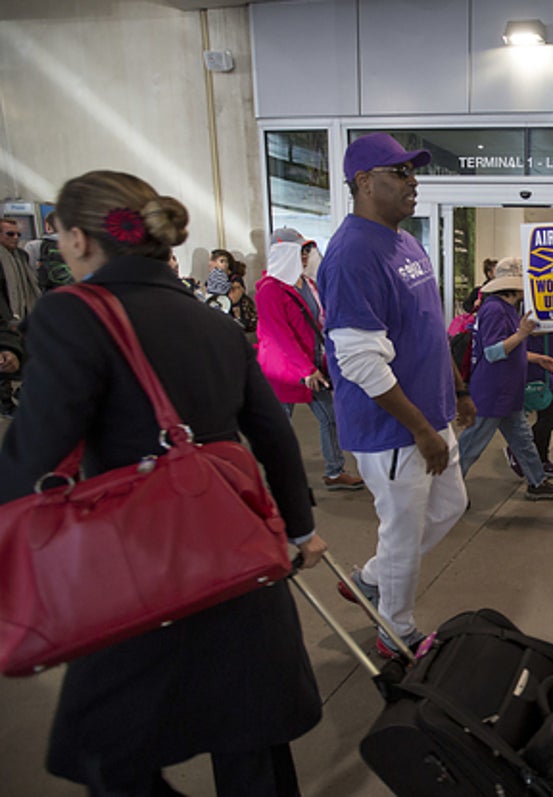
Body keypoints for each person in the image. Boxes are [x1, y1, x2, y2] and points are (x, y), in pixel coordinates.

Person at [0, 170, 327, 796]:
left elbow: (35, 453)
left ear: (74, 239)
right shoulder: (212, 320)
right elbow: (274, 437)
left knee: (110, 752)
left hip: (140, 568)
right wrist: (301, 530)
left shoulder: (73, 313)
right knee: (251, 746)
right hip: (238, 558)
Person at [318, 132, 475, 658]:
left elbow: (428, 328)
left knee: (452, 505)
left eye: (413, 172)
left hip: (431, 414)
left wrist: (459, 388)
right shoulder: (350, 255)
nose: (414, 182)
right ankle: (397, 631)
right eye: (400, 173)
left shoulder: (405, 242)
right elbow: (359, 360)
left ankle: (370, 578)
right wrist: (421, 430)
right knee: (404, 535)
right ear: (363, 183)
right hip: (393, 430)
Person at [256, 229, 364, 491]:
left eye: (306, 251)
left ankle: (335, 471)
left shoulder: (307, 283)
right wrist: (306, 369)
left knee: (329, 416)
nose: (305, 256)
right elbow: (280, 335)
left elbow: (321, 319)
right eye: (300, 251)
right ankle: (278, 475)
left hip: (311, 366)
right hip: (284, 370)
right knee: (280, 426)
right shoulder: (270, 290)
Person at [456, 257, 553, 500]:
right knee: (470, 446)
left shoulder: (504, 308)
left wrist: (537, 358)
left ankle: (537, 482)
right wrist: (522, 333)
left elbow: (509, 349)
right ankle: (447, 492)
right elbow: (493, 352)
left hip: (506, 390)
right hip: (493, 392)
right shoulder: (495, 309)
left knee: (523, 441)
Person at [505, 330, 553, 479]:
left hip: (552, 353)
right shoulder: (531, 308)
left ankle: (542, 460)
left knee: (546, 415)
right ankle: (519, 450)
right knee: (552, 416)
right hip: (538, 358)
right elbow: (529, 328)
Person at [0, 217, 40, 325]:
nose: (16, 237)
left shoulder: (22, 256)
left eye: (18, 234)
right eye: (10, 234)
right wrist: (8, 318)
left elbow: (30, 284)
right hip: (6, 320)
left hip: (25, 315)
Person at [26, 211, 74, 291]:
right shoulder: (78, 245)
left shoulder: (34, 245)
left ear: (47, 226)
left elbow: (30, 275)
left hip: (46, 294)